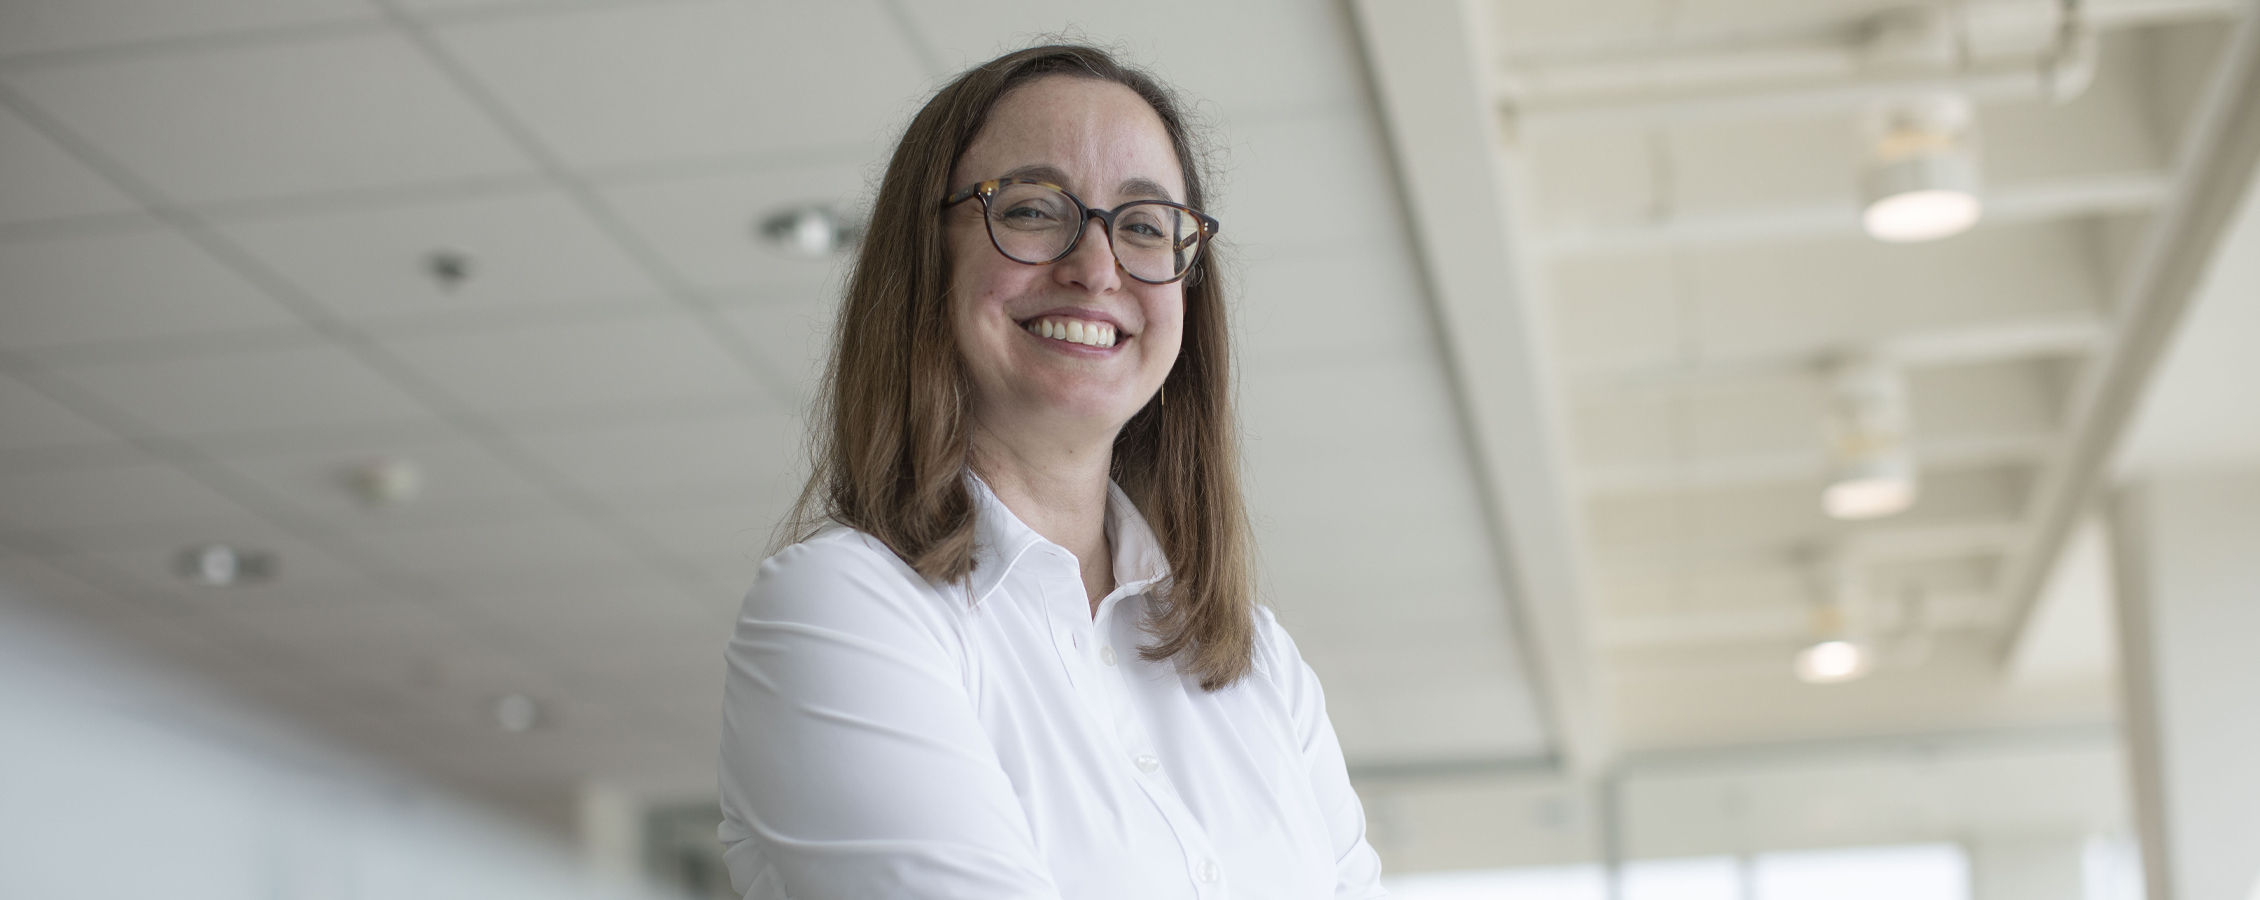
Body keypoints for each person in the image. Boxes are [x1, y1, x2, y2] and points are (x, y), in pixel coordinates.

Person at [717, 43, 1386, 900]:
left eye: (1145, 226)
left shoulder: (1260, 667)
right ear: (928, 260)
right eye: (1034, 210)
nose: (1098, 267)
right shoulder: (840, 609)